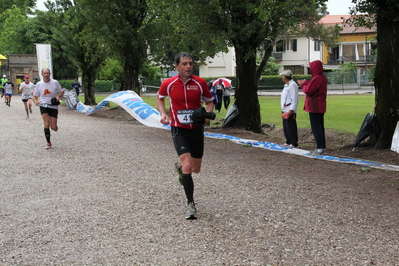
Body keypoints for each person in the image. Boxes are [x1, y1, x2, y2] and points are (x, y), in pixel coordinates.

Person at [156, 52, 215, 220]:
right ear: (177, 66)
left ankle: (182, 170)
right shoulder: (168, 84)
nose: (188, 66)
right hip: (178, 129)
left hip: (196, 130)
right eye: (184, 64)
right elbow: (160, 98)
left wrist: (207, 114)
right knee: (188, 165)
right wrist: (163, 114)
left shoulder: (200, 82)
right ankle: (191, 205)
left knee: (195, 169)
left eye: (190, 63)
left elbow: (209, 101)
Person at [297, 60, 327, 156]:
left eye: (310, 68)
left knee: (316, 128)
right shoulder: (321, 78)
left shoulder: (317, 78)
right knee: (320, 127)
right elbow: (312, 87)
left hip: (315, 106)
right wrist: (306, 82)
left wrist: (303, 85)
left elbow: (309, 90)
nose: (310, 70)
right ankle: (321, 147)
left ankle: (319, 148)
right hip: (319, 106)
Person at [32, 68, 65, 149]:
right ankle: (48, 142)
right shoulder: (39, 84)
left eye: (47, 73)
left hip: (53, 105)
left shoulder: (55, 82)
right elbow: (34, 96)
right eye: (45, 73)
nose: (46, 75)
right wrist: (35, 101)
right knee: (46, 123)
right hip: (43, 105)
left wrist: (58, 96)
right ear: (42, 74)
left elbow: (62, 91)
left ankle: (54, 126)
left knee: (53, 127)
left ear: (50, 74)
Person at [280, 70, 299, 148]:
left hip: (289, 109)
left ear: (285, 76)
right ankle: (288, 141)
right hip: (285, 109)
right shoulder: (287, 85)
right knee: (286, 126)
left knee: (291, 126)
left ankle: (293, 142)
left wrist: (292, 110)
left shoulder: (292, 85)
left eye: (282, 76)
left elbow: (294, 98)